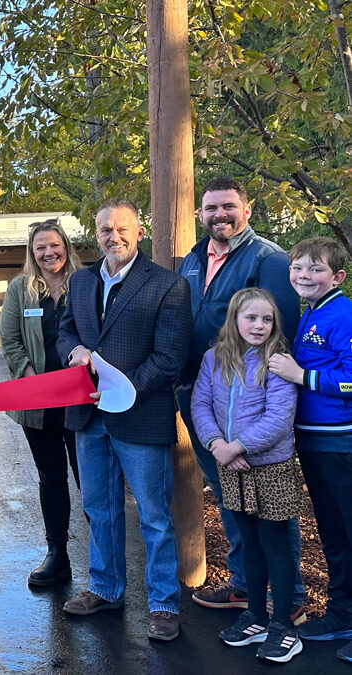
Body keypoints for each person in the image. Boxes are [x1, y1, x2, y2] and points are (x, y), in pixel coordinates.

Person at [57, 198, 192, 641]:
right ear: (94, 235)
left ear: (138, 232)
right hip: (88, 416)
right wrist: (72, 350)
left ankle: (164, 605)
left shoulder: (167, 286)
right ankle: (105, 588)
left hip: (140, 414)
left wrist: (125, 389)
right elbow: (65, 331)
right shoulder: (79, 282)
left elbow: (170, 357)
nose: (112, 237)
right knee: (100, 509)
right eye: (104, 230)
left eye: (121, 229)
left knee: (154, 515)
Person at [177, 177, 305, 622]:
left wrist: (246, 433)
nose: (220, 215)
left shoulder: (268, 258)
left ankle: (290, 600)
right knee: (232, 497)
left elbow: (279, 331)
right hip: (204, 398)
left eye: (228, 206)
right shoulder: (193, 260)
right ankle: (246, 586)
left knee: (272, 508)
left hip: (252, 406)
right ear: (201, 215)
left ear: (246, 210)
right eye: (211, 208)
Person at [192, 288, 303, 663]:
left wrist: (237, 446)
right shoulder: (214, 358)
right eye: (251, 318)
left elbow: (279, 417)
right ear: (235, 320)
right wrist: (215, 444)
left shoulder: (276, 361)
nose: (258, 326)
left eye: (266, 319)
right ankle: (255, 614)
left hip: (270, 467)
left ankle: (284, 626)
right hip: (231, 465)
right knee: (248, 542)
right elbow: (200, 404)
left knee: (276, 546)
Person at [268, 237, 352, 663]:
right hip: (313, 439)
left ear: (336, 276)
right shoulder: (311, 312)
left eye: (315, 269)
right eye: (298, 268)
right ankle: (342, 612)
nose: (304, 275)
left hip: (341, 441)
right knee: (334, 534)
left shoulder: (344, 314)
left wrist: (302, 376)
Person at [0, 219, 81, 586]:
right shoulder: (21, 289)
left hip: (82, 402)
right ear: (32, 254)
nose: (48, 253)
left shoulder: (86, 283)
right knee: (51, 478)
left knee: (91, 481)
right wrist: (28, 375)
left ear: (65, 245)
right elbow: (9, 338)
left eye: (54, 245)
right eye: (40, 248)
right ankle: (57, 555)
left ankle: (106, 563)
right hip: (39, 403)